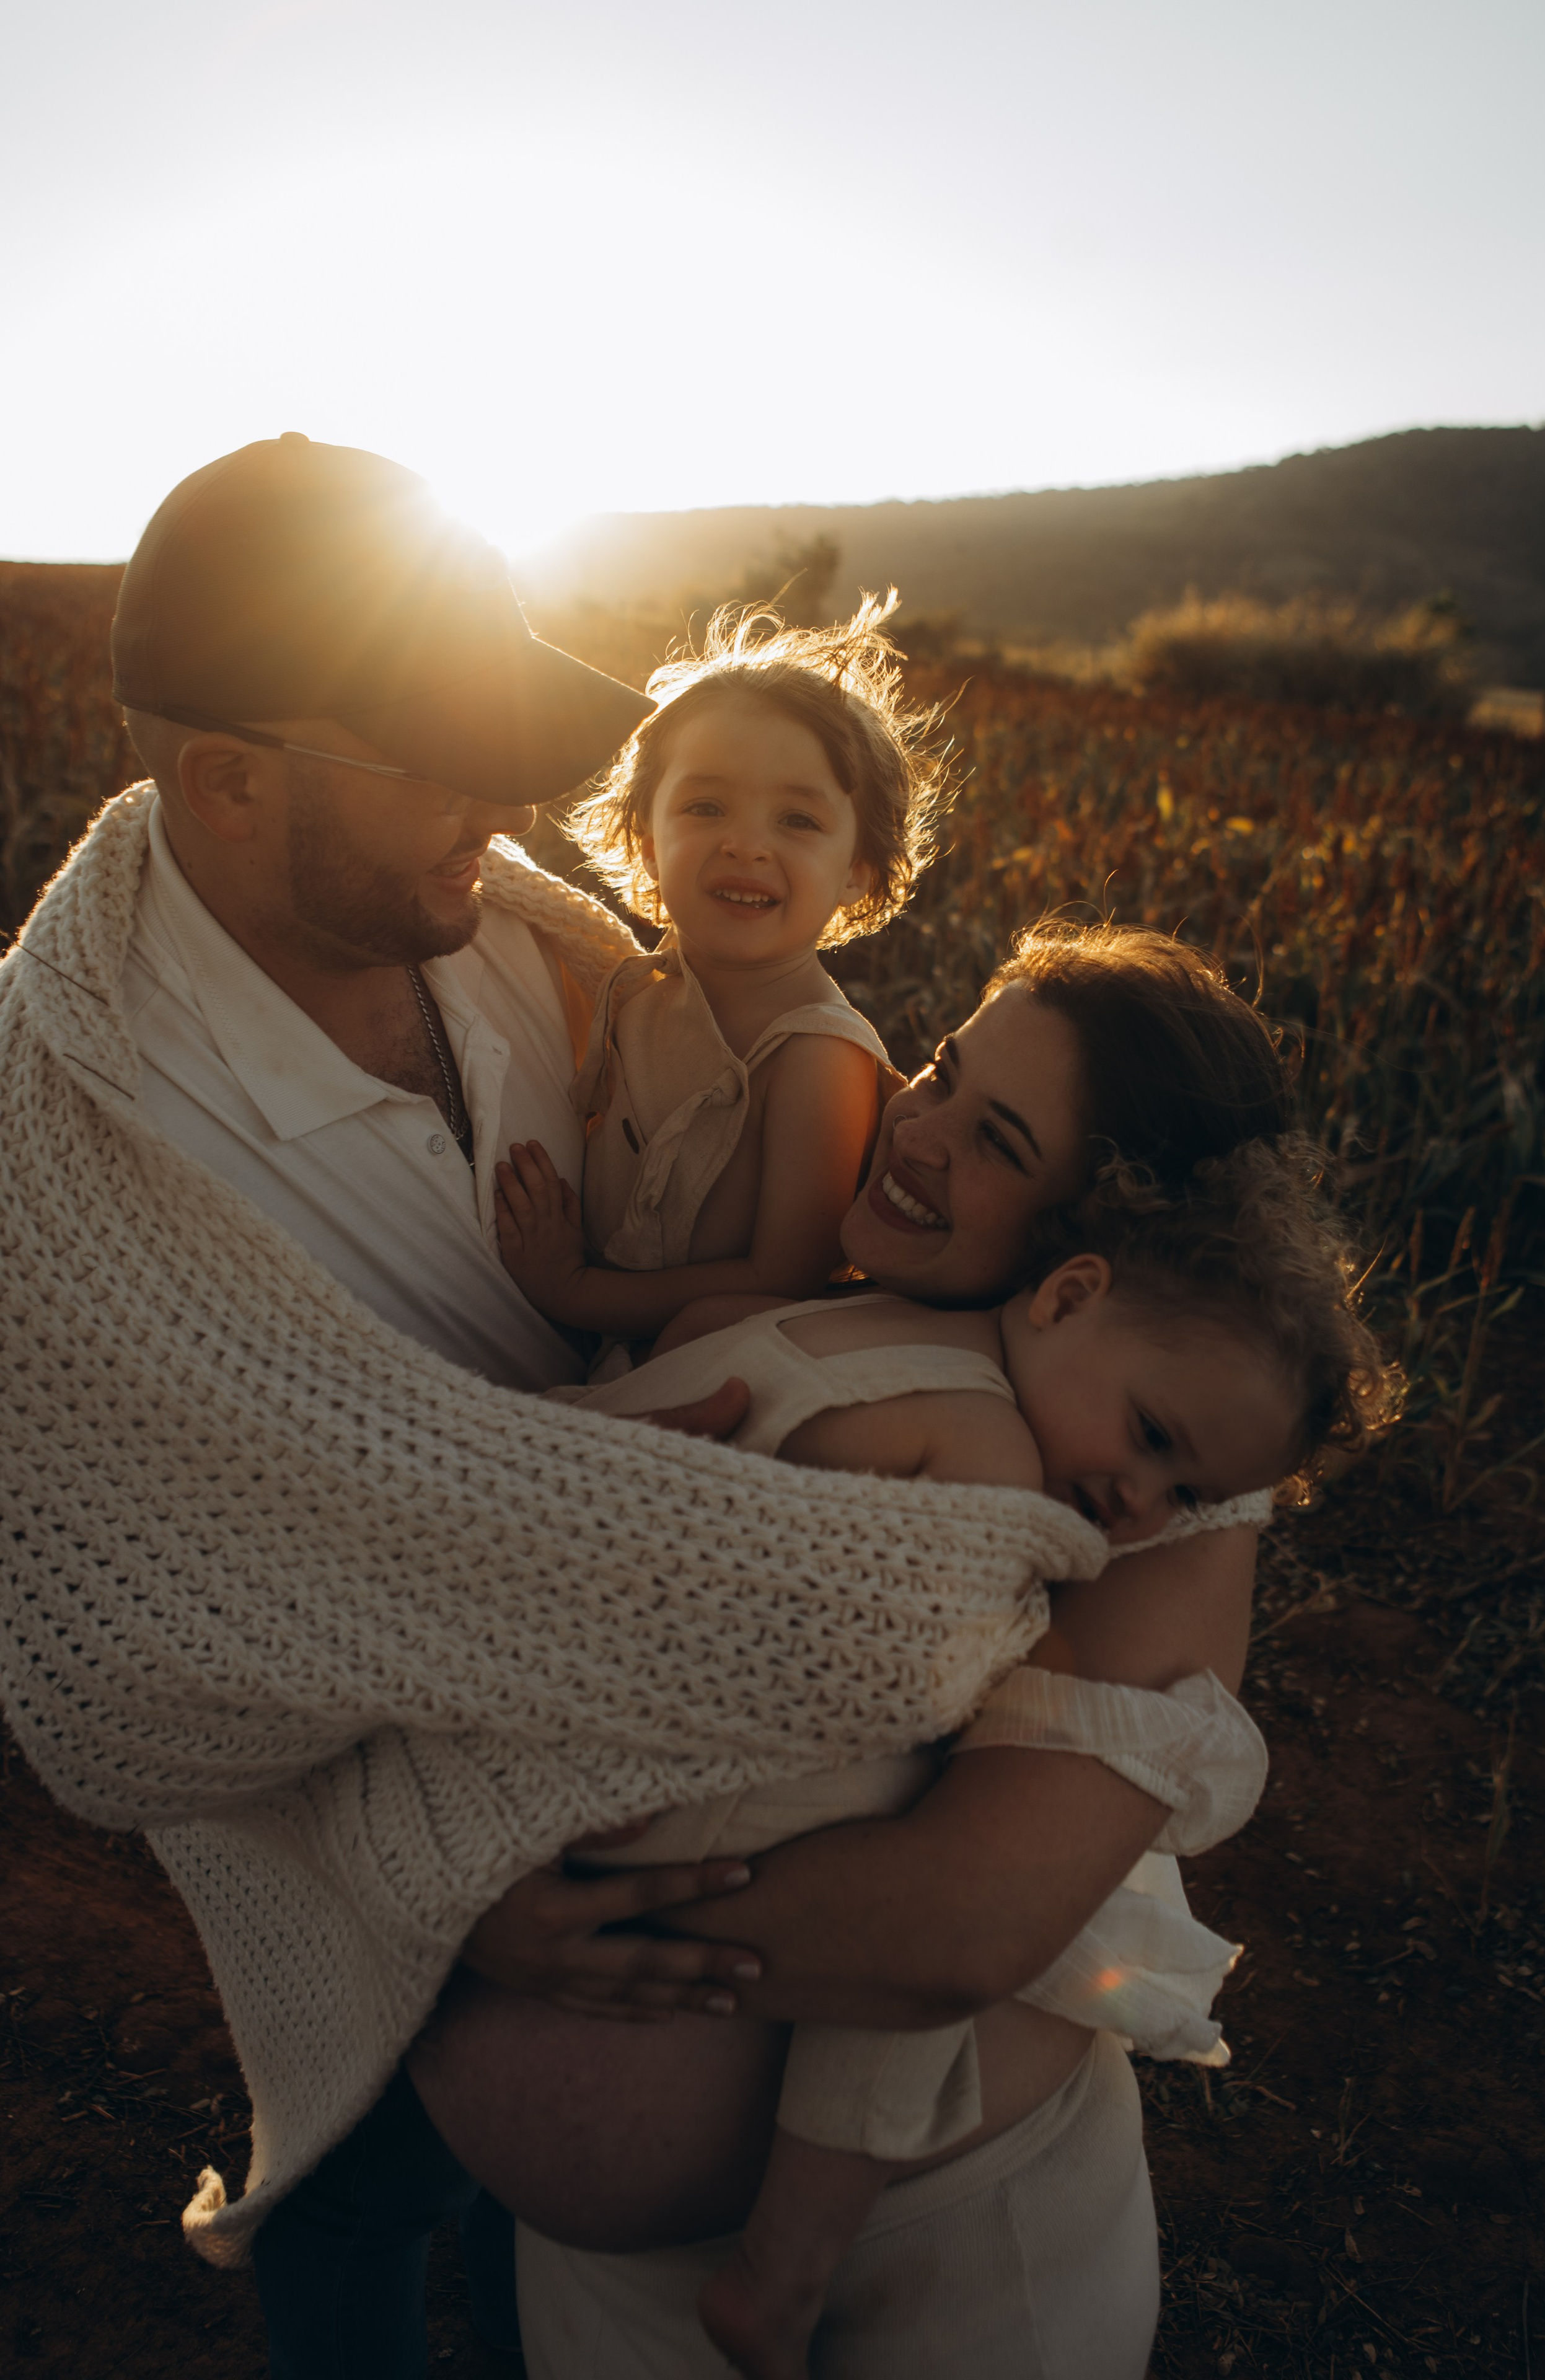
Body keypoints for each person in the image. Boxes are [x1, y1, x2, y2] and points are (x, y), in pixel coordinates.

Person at [0, 439, 1192, 2380]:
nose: (511, 805)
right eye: (439, 754)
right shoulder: (74, 1157)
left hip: (637, 1767)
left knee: (485, 2204)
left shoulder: (490, 931)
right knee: (364, 2198)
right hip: (387, 1824)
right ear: (227, 778)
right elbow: (131, 1658)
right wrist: (442, 1877)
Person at [419, 1127, 1393, 2378]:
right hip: (608, 2257)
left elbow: (949, 1929)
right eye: (1147, 1438)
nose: (1141, 1508)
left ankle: (786, 2260)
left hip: (953, 2279)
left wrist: (480, 1897)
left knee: (910, 1977)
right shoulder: (959, 1440)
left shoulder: (870, 1359)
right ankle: (784, 2263)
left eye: (1187, 1495)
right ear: (1068, 1290)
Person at [495, 597, 946, 1344]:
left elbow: (782, 1278)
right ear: (646, 840)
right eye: (705, 807)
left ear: (858, 872)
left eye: (797, 821)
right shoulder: (631, 991)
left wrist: (574, 1292)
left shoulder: (814, 1055)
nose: (745, 845)